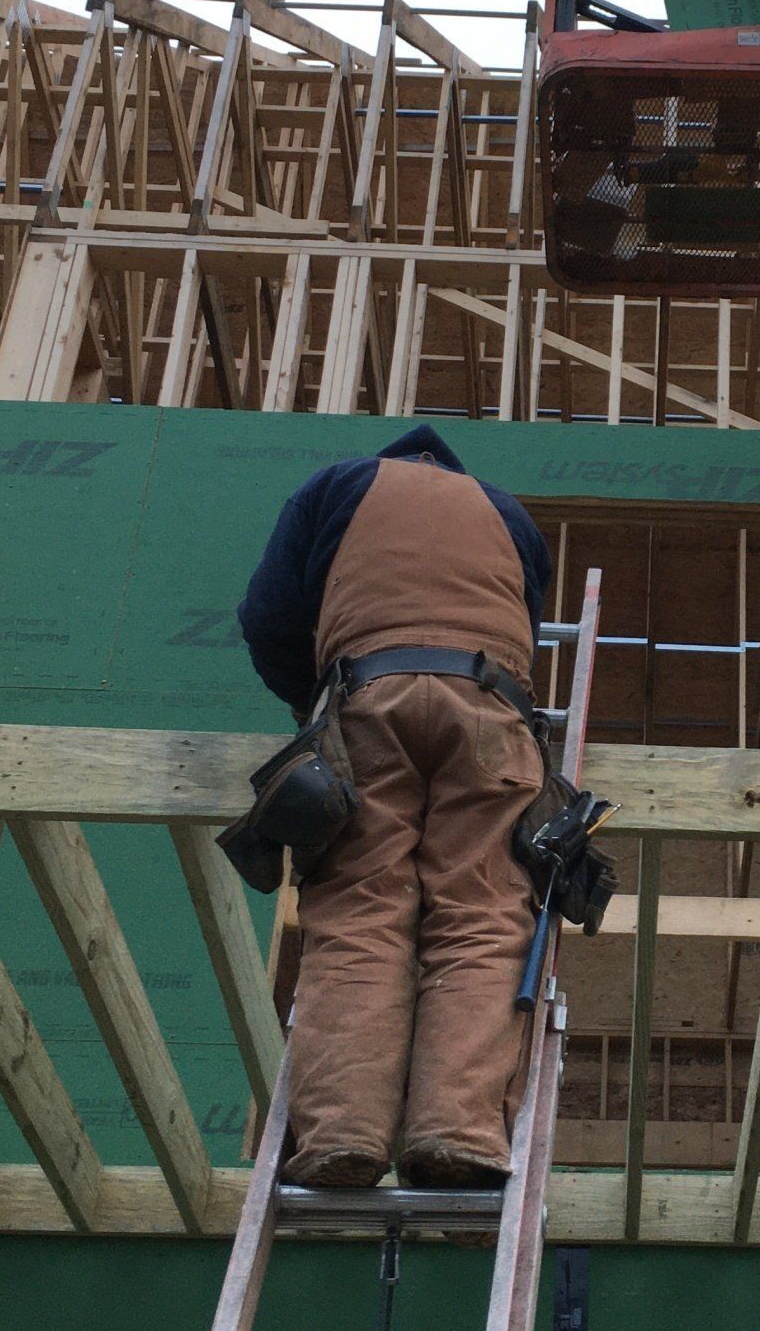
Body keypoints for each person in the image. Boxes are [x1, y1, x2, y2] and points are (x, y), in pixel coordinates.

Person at [237, 425, 553, 1192]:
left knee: (359, 908)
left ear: (394, 459)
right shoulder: (506, 511)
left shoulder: (338, 486)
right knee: (483, 915)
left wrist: (309, 709)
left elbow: (268, 617)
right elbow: (528, 626)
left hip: (368, 695)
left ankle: (343, 1132)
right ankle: (459, 1132)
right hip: (491, 708)